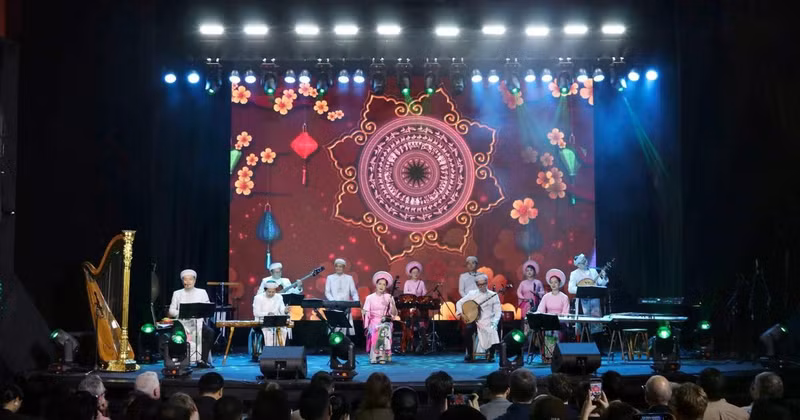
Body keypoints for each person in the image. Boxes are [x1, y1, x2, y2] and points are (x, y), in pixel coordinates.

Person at [168, 269, 213, 367]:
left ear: (194, 280)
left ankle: (203, 360)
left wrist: (198, 313)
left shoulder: (202, 292)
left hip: (198, 323)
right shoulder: (177, 293)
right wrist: (183, 313)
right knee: (176, 336)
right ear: (182, 281)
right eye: (185, 279)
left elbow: (207, 307)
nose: (187, 282)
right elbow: (171, 311)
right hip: (182, 323)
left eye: (190, 279)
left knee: (209, 332)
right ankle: (180, 359)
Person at [456, 273, 501, 362]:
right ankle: (469, 353)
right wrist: (462, 314)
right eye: (479, 285)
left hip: (489, 320)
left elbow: (498, 311)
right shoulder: (472, 294)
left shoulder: (493, 295)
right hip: (476, 320)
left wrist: (495, 322)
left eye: (483, 284)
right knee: (468, 329)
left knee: (493, 329)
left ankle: (491, 355)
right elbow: (459, 303)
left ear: (487, 283)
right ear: (476, 285)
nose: (482, 286)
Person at [568, 254, 609, 337]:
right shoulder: (574, 274)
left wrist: (604, 276)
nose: (585, 263)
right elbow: (570, 288)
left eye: (585, 260)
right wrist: (584, 289)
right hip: (582, 302)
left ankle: (597, 345)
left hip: (595, 301)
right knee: (584, 324)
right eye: (583, 262)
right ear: (578, 265)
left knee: (596, 323)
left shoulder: (593, 271)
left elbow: (600, 283)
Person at [362, 271, 398, 364]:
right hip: (374, 321)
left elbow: (394, 313)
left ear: (386, 286)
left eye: (384, 284)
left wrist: (392, 303)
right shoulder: (369, 298)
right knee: (376, 329)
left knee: (384, 328)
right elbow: (366, 312)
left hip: (385, 321)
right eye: (380, 284)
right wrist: (365, 313)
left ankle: (382, 356)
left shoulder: (389, 297)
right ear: (376, 285)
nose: (381, 286)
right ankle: (375, 356)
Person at [535, 269, 570, 361]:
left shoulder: (564, 297)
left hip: (560, 323)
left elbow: (565, 313)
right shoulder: (546, 297)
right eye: (551, 282)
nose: (553, 284)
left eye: (555, 282)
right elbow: (540, 310)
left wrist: (558, 320)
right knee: (549, 331)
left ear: (559, 283)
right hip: (549, 323)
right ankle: (549, 356)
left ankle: (558, 357)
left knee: (556, 332)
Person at [324, 258, 359, 335]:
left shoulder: (349, 278)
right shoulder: (330, 277)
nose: (338, 268)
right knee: (334, 329)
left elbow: (353, 292)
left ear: (343, 267)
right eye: (337, 266)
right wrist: (333, 302)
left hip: (345, 307)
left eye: (340, 266)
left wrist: (356, 302)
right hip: (333, 306)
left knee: (344, 329)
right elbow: (327, 292)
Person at [253, 278, 289, 346]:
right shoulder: (258, 298)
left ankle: (279, 351)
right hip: (263, 322)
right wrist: (267, 314)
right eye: (269, 292)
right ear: (265, 290)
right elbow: (256, 313)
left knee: (283, 330)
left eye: (273, 292)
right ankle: (269, 352)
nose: (271, 294)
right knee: (268, 332)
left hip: (276, 321)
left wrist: (285, 310)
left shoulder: (279, 297)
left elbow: (281, 309)